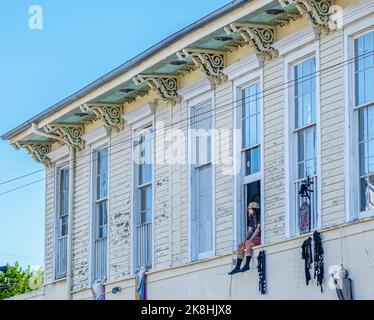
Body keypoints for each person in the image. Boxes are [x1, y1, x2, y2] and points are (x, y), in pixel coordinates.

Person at [228, 202, 261, 275]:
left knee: (248, 243)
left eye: (249, 209)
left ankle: (247, 265)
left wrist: (250, 239)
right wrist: (244, 240)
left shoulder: (259, 216)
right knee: (240, 245)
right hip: (254, 238)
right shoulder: (252, 218)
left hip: (260, 238)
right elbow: (250, 230)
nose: (248, 210)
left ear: (254, 209)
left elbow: (258, 229)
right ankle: (238, 266)